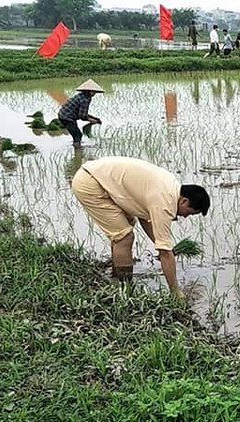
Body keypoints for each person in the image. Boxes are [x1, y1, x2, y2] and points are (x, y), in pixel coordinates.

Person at [71, 157, 210, 298]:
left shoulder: (171, 185)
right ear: (184, 201)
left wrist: (162, 244)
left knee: (125, 227)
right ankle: (125, 291)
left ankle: (116, 278)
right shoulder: (164, 202)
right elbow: (165, 253)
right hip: (91, 183)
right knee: (124, 238)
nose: (186, 217)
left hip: (96, 177)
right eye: (190, 213)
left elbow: (145, 217)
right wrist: (176, 292)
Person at [58, 79, 103, 150]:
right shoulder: (85, 99)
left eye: (95, 92)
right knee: (78, 135)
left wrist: (95, 119)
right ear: (87, 91)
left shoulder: (82, 96)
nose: (94, 93)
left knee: (76, 134)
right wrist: (92, 120)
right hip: (66, 117)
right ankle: (78, 151)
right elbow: (82, 116)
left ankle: (76, 146)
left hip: (67, 115)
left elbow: (82, 113)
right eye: (92, 91)